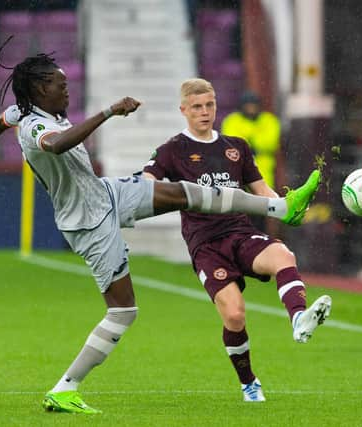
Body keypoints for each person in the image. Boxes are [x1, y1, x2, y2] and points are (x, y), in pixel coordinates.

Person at [0, 53, 321, 414]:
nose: (67, 91)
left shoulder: (25, 111)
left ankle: (281, 207)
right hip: (88, 223)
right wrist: (109, 111)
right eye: (60, 86)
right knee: (123, 312)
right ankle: (65, 388)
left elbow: (7, 117)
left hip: (106, 193)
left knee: (182, 191)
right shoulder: (35, 128)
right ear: (38, 88)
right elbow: (58, 143)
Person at [142, 78, 332, 402]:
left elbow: (261, 191)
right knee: (234, 315)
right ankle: (249, 383)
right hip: (205, 246)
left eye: (210, 105)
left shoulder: (236, 147)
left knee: (283, 255)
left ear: (216, 105)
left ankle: (299, 318)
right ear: (183, 110)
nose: (205, 112)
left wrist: (284, 209)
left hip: (241, 233)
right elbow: (146, 184)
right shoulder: (172, 150)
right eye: (197, 107)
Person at [221, 91, 281, 190]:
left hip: (263, 167)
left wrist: (248, 140)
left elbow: (270, 142)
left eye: (253, 106)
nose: (251, 109)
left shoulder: (269, 120)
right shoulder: (232, 120)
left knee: (265, 196)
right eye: (248, 106)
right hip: (238, 167)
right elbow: (232, 142)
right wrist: (253, 139)